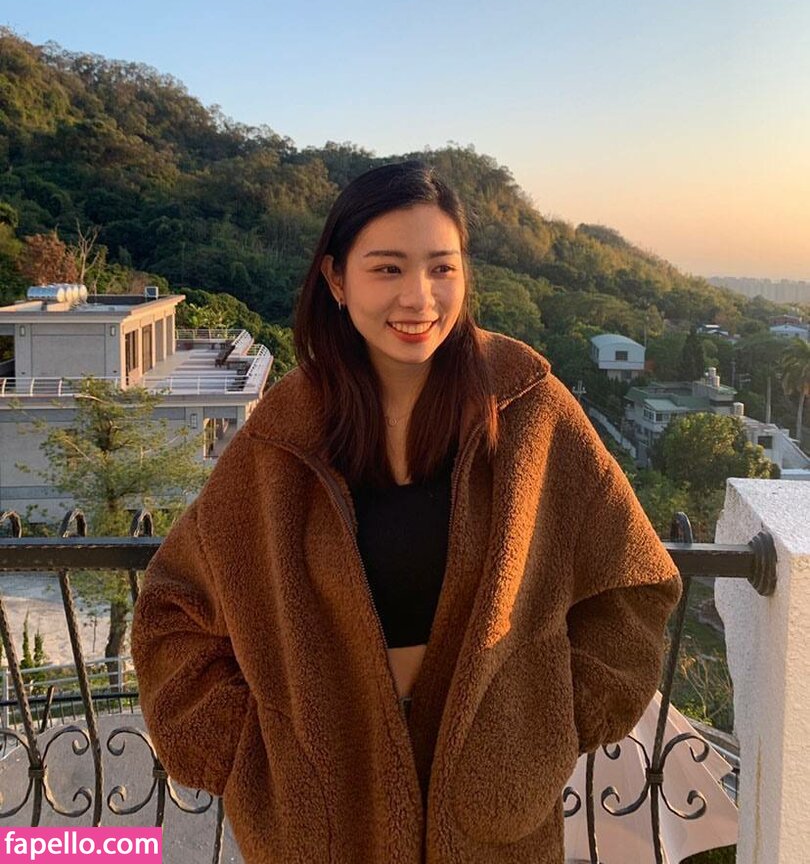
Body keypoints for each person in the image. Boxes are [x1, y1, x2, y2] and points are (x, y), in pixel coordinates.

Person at [131, 161, 682, 864]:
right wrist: (255, 751)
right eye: (387, 269)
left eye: (441, 268)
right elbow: (173, 610)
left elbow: (634, 583)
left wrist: (548, 723)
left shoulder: (529, 410)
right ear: (337, 279)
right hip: (326, 825)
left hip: (496, 819)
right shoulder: (282, 441)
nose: (419, 298)